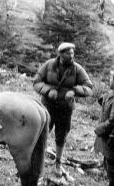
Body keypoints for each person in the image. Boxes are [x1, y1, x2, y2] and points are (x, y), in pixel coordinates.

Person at [33, 42, 93, 176]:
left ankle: (58, 163)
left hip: (65, 109)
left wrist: (75, 91)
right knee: (42, 133)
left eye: (72, 53)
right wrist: (48, 91)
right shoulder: (48, 65)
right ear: (60, 54)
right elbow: (36, 82)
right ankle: (37, 161)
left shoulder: (77, 69)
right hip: (48, 106)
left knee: (61, 136)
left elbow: (89, 87)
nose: (71, 56)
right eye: (68, 53)